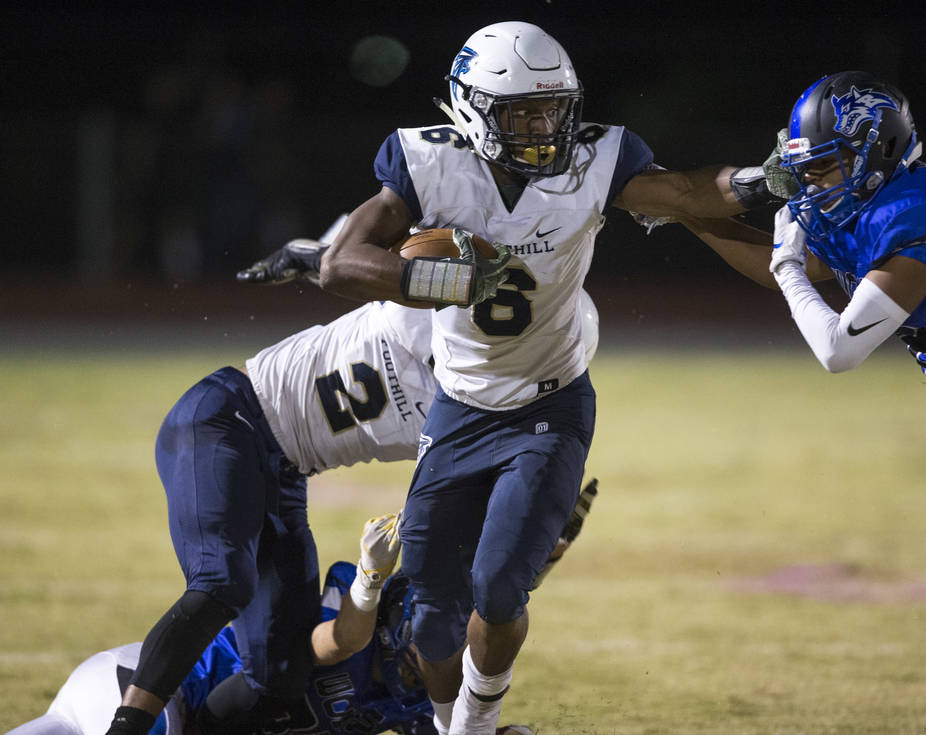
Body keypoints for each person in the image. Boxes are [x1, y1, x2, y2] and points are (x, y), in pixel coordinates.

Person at [304, 20, 774, 735]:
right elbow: (341, 262)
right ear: (472, 107)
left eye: (554, 109)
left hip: (548, 403)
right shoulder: (429, 163)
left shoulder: (596, 159)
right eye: (524, 112)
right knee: (430, 614)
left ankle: (474, 726)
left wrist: (760, 181)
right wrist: (440, 277)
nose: (544, 128)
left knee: (496, 585)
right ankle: (443, 724)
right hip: (457, 407)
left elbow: (682, 193)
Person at [103, 213, 603, 735]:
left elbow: (483, 546)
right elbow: (377, 253)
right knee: (221, 582)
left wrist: (540, 544)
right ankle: (128, 726)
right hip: (231, 417)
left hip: (288, 472)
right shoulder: (430, 309)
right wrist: (315, 255)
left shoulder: (488, 412)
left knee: (281, 676)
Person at [687, 70, 926, 734]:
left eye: (828, 166)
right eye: (810, 169)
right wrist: (694, 217)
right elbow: (790, 258)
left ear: (876, 150)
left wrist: (789, 266)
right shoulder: (865, 209)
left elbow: (837, 349)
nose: (817, 184)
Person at [12, 487, 598, 735]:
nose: (440, 654)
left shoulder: (419, 701)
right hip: (152, 692)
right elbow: (334, 642)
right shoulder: (356, 617)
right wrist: (369, 581)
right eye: (435, 637)